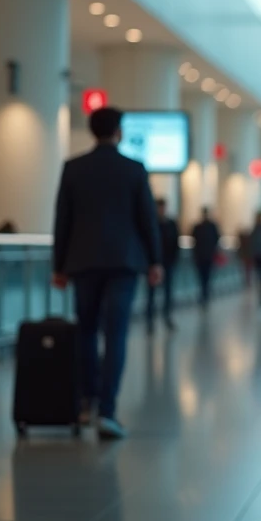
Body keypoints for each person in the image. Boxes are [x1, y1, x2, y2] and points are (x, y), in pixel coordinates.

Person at [51, 107, 162, 440]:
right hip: (123, 263)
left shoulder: (73, 168)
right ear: (119, 132)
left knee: (86, 330)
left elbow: (63, 219)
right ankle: (108, 412)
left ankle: (87, 401)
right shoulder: (134, 169)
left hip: (83, 262)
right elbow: (147, 219)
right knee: (115, 334)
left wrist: (59, 266)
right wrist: (155, 261)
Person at [147, 199, 179, 332]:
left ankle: (167, 317)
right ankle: (150, 321)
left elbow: (175, 243)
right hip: (153, 264)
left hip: (168, 263)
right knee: (151, 294)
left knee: (168, 292)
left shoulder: (171, 224)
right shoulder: (151, 223)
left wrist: (174, 259)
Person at [191, 208, 220, 308]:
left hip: (206, 257)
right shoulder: (200, 227)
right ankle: (204, 294)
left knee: (206, 277)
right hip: (202, 257)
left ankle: (205, 294)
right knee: (203, 277)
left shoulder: (210, 227)